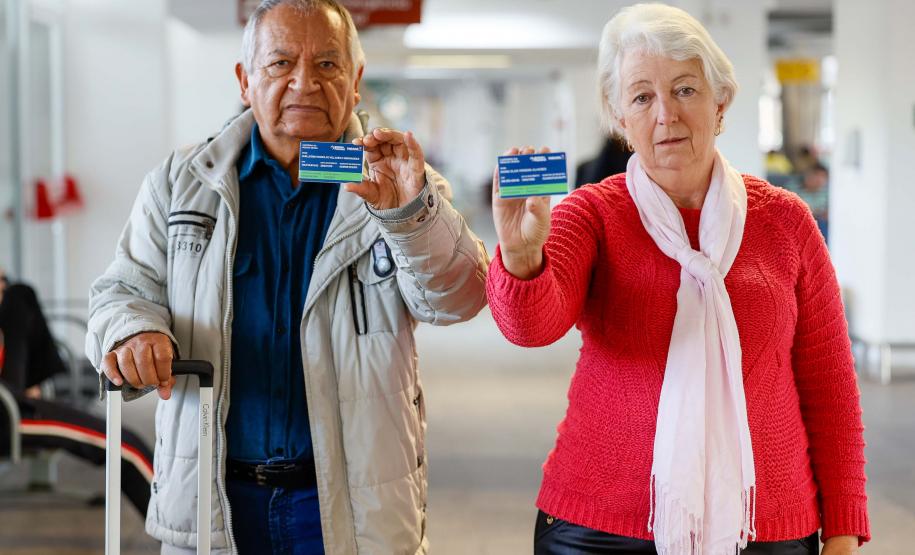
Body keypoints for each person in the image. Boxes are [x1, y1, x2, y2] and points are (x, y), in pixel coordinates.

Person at [85, 1, 488, 553]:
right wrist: (132, 331)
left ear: (355, 81)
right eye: (279, 64)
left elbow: (460, 298)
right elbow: (120, 291)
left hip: (348, 504)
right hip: (215, 499)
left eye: (327, 65)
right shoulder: (183, 183)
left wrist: (408, 215)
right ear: (245, 80)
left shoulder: (402, 184)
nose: (304, 83)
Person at [487, 4, 867, 555]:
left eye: (685, 89)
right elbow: (531, 326)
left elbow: (830, 385)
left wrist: (844, 529)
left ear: (721, 103)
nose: (665, 114)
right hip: (601, 525)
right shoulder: (591, 214)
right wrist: (522, 256)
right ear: (620, 118)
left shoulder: (785, 221)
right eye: (642, 97)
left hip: (767, 525)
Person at [0, 269, 153, 514]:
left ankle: (29, 387)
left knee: (20, 294)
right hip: (6, 413)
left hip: (12, 399)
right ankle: (178, 537)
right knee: (127, 450)